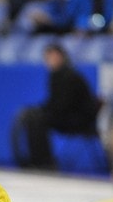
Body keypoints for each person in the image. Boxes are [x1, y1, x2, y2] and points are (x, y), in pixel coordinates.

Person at [11, 42, 102, 170]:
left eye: (53, 57)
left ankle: (45, 162)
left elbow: (64, 105)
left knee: (39, 119)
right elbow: (55, 103)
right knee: (34, 117)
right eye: (47, 58)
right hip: (64, 116)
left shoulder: (70, 76)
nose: (49, 61)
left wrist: (42, 111)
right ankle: (36, 160)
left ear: (61, 57)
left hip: (78, 119)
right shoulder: (55, 76)